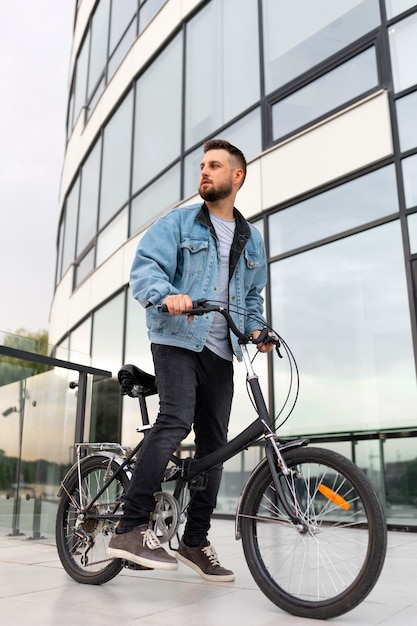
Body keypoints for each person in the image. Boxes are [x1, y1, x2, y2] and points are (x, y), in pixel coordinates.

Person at [108, 139, 273, 581]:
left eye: (214, 166)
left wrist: (258, 330)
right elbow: (146, 270)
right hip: (177, 339)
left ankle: (195, 541)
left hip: (221, 352)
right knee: (176, 418)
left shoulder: (250, 240)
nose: (204, 172)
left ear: (236, 177)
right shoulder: (179, 224)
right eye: (202, 165)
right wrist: (168, 297)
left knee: (214, 448)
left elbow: (251, 299)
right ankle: (129, 528)